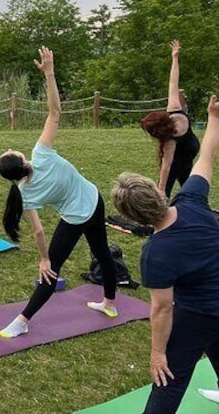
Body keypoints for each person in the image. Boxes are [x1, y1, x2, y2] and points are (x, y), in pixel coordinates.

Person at [0, 46, 118, 339]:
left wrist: (43, 257)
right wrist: (49, 74)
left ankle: (23, 320)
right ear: (22, 160)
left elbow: (38, 231)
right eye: (11, 150)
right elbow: (55, 111)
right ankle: (110, 304)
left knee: (51, 269)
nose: (12, 147)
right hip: (93, 200)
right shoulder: (42, 153)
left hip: (78, 215)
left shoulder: (23, 194)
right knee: (102, 254)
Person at [111, 94, 219, 413]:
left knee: (167, 380)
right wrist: (213, 118)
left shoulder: (155, 252)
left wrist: (158, 353)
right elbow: (206, 159)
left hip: (198, 314)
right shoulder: (193, 201)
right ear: (157, 192)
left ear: (134, 217)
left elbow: (161, 309)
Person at [139, 40, 200, 198]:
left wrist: (160, 189)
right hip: (191, 152)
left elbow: (166, 167)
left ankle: (159, 213)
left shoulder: (170, 141)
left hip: (179, 161)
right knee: (190, 190)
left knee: (166, 189)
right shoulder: (174, 109)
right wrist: (174, 58)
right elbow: (173, 82)